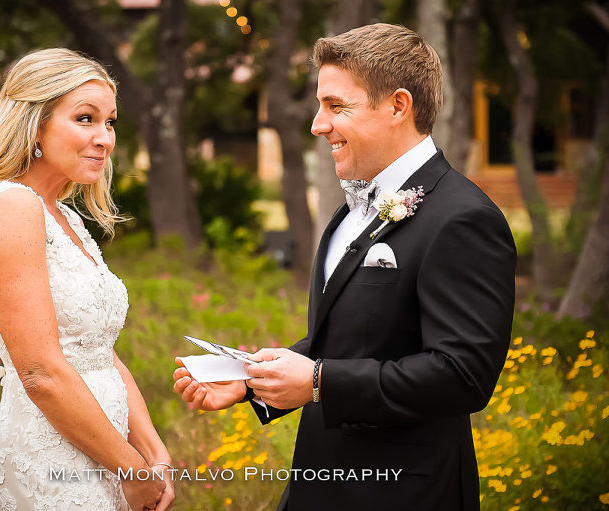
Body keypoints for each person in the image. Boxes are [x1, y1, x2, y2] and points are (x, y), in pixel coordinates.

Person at [173, 23, 515, 510]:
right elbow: (347, 342)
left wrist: (317, 382)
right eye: (320, 105)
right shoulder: (349, 213)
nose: (317, 124)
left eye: (336, 107)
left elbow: (463, 375)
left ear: (398, 106)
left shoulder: (463, 218)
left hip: (405, 493)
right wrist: (250, 380)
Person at [0, 48, 174, 511]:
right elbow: (40, 373)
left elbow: (99, 354)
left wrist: (152, 452)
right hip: (53, 460)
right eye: (86, 118)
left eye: (110, 122)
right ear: (34, 123)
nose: (105, 138)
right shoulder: (13, 207)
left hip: (109, 452)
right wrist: (130, 468)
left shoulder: (64, 217)